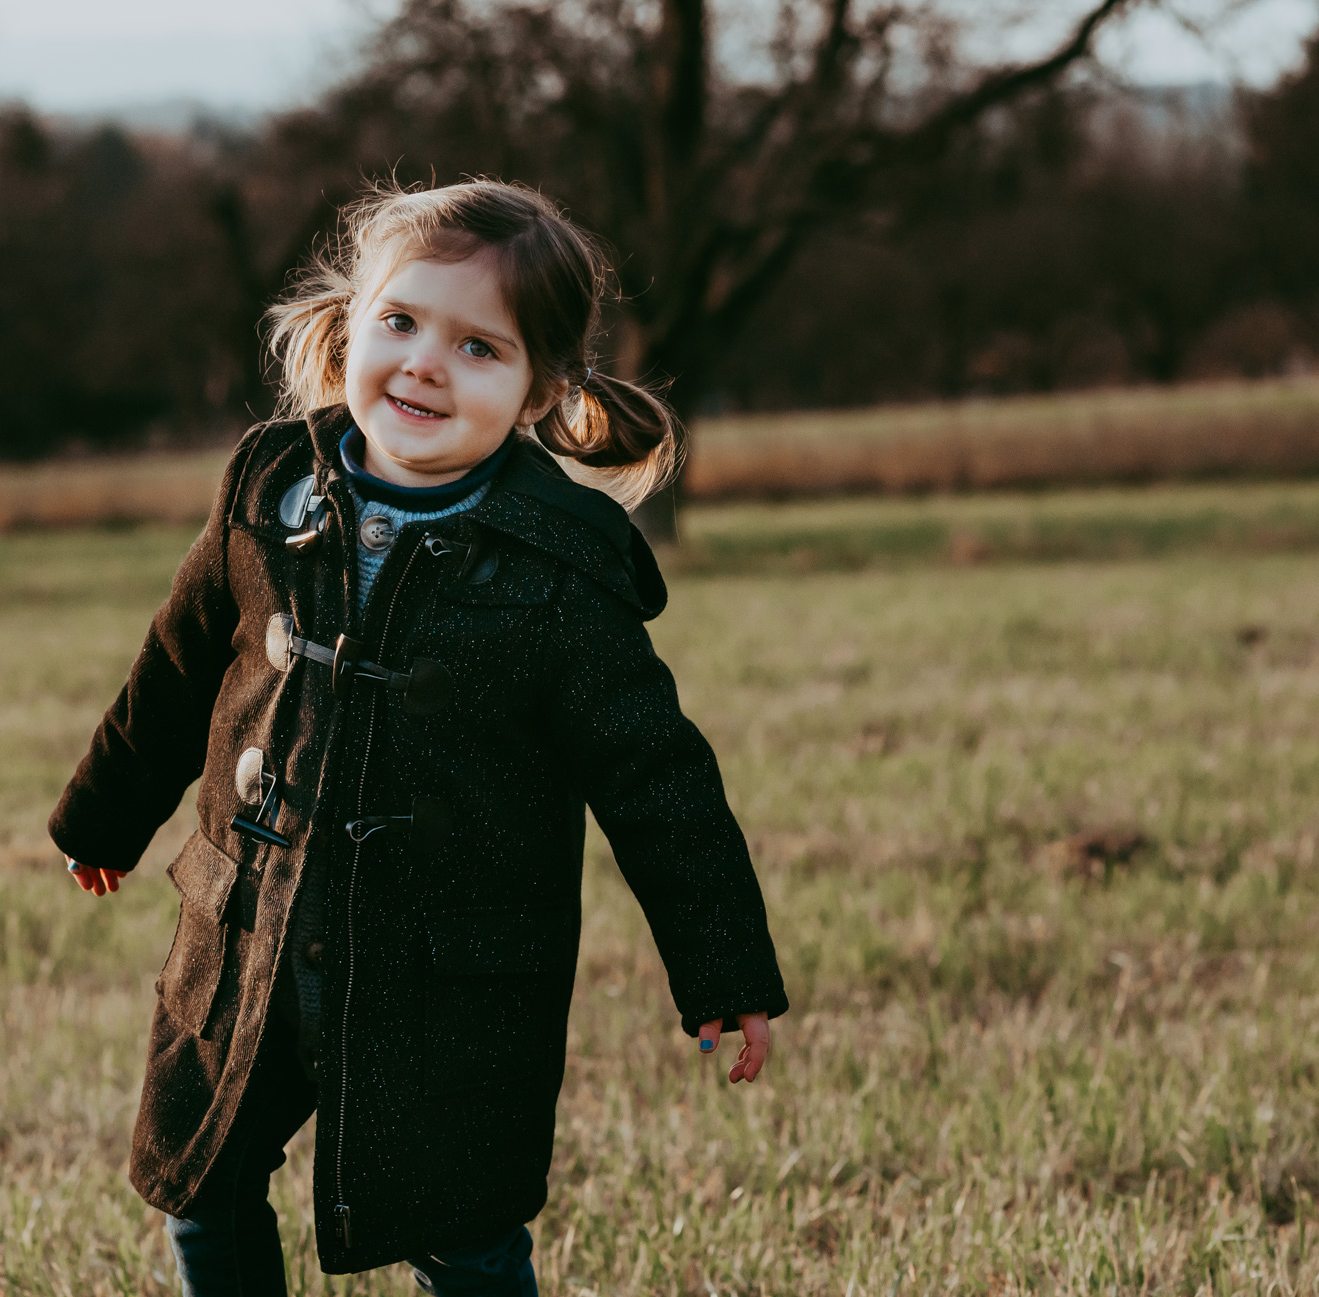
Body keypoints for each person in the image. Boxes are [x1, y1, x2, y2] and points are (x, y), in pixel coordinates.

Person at [51, 180, 787, 1296]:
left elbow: (658, 780)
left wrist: (723, 964)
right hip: (250, 925)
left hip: (445, 978)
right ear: (352, 324)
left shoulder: (557, 574)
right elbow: (178, 660)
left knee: (462, 1229)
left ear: (540, 390)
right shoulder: (270, 485)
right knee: (200, 1181)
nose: (425, 364)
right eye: (401, 322)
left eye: (478, 347)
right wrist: (104, 813)